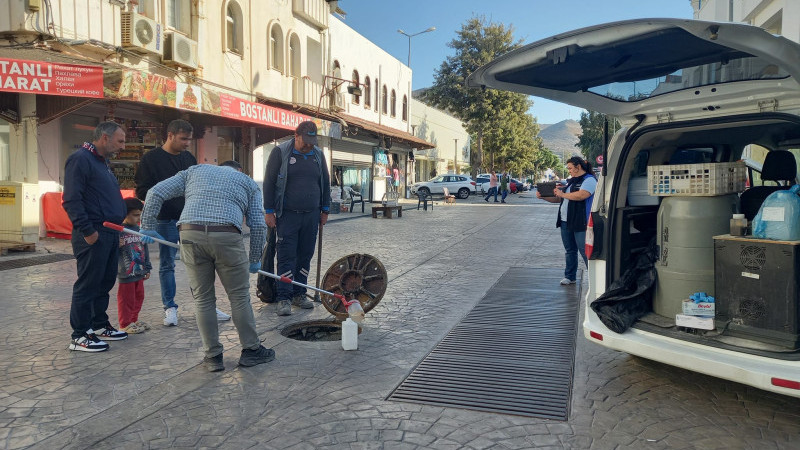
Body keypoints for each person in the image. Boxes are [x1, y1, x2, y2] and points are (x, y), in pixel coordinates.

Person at [140, 160, 273, 372]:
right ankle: (252, 350)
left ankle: (213, 357)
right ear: (239, 170)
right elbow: (257, 224)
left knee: (202, 298)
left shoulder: (194, 171)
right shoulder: (247, 182)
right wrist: (255, 258)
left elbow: (155, 192)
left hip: (190, 233)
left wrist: (147, 225)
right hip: (227, 235)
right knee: (238, 297)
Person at [135, 120, 231, 326]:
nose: (188, 143)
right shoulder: (150, 159)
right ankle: (170, 307)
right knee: (167, 264)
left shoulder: (189, 158)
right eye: (183, 139)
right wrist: (166, 195)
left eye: (189, 139)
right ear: (170, 135)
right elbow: (142, 191)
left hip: (190, 220)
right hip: (164, 220)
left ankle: (206, 305)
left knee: (200, 263)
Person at [63, 121, 138, 352]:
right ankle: (79, 334)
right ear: (104, 138)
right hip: (94, 232)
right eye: (120, 140)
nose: (123, 146)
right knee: (88, 282)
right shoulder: (80, 159)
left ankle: (98, 325)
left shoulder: (102, 162)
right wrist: (88, 231)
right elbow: (72, 200)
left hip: (110, 232)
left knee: (104, 281)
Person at [263, 120, 331, 316]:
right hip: (287, 215)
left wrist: (325, 210)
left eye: (312, 140)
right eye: (306, 140)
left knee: (305, 255)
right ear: (296, 135)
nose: (309, 144)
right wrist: (269, 210)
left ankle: (299, 293)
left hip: (311, 215)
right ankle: (284, 297)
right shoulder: (281, 152)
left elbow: (325, 182)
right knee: (286, 256)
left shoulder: (318, 155)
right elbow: (269, 181)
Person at [537, 157, 597, 285]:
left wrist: (562, 194)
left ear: (578, 167)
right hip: (565, 221)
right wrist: (543, 197)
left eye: (570, 168)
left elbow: (582, 195)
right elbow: (560, 199)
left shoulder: (589, 180)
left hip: (581, 221)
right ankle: (570, 276)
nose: (569, 170)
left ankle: (595, 278)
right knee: (570, 250)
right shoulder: (571, 182)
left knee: (584, 250)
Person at [116, 197, 152, 335]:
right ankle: (124, 324)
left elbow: (145, 249)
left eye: (140, 215)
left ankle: (133, 319)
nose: (138, 218)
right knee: (126, 299)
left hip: (139, 271)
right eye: (135, 215)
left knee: (139, 296)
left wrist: (147, 267)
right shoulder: (119, 231)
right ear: (125, 213)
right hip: (126, 272)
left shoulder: (139, 230)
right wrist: (115, 245)